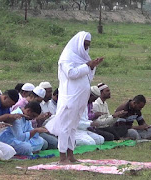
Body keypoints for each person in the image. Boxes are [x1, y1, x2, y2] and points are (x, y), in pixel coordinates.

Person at [46, 31, 103, 164]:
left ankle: (71, 155)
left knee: (73, 126)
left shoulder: (82, 58)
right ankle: (62, 157)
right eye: (84, 45)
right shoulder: (67, 57)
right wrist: (88, 65)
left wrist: (92, 66)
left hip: (80, 98)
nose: (85, 48)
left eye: (88, 45)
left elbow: (88, 77)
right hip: (69, 97)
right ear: (78, 43)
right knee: (65, 126)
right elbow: (71, 74)